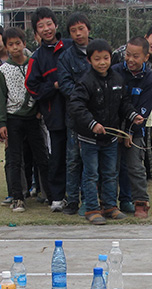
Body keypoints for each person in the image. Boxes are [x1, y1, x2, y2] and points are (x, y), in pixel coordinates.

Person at [68, 39, 144, 225]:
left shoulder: (117, 79)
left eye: (106, 58)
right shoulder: (85, 81)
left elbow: (124, 103)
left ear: (111, 58)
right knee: (91, 174)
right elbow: (76, 106)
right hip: (89, 138)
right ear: (89, 60)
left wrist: (133, 115)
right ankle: (92, 208)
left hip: (110, 138)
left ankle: (110, 206)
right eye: (97, 59)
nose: (102, 62)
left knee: (111, 173)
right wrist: (92, 124)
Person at [0, 27, 50, 213]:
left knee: (41, 157)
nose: (15, 47)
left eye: (18, 43)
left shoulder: (34, 63)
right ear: (6, 47)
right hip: (13, 119)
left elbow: (40, 88)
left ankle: (50, 194)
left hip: (33, 118)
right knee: (15, 159)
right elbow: (1, 98)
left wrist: (39, 111)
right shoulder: (3, 70)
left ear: (24, 44)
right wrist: (1, 123)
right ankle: (18, 197)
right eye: (10, 44)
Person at [25, 7, 73, 213]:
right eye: (41, 26)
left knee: (80, 155)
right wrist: (53, 86)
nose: (46, 29)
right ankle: (57, 197)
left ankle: (81, 195)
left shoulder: (70, 46)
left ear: (56, 24)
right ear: (36, 31)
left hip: (77, 111)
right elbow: (31, 87)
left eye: (49, 24)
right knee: (58, 156)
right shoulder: (37, 58)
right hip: (54, 114)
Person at [113, 25, 152, 181]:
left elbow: (149, 93)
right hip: (117, 112)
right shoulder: (121, 54)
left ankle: (149, 174)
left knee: (141, 148)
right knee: (113, 162)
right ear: (146, 36)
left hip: (140, 109)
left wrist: (132, 126)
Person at [113, 37, 152, 218]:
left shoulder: (150, 78)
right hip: (114, 128)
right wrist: (120, 130)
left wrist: (130, 131)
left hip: (136, 129)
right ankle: (108, 203)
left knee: (135, 167)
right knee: (111, 168)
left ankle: (140, 203)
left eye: (136, 56)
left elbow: (144, 109)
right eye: (128, 55)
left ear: (146, 57)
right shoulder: (115, 71)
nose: (130, 59)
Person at [57, 12, 92, 216]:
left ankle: (89, 200)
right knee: (73, 160)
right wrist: (85, 97)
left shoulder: (100, 51)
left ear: (88, 29)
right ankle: (72, 201)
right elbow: (65, 85)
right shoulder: (66, 57)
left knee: (92, 161)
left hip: (97, 117)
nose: (78, 34)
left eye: (81, 29)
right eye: (73, 30)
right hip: (75, 116)